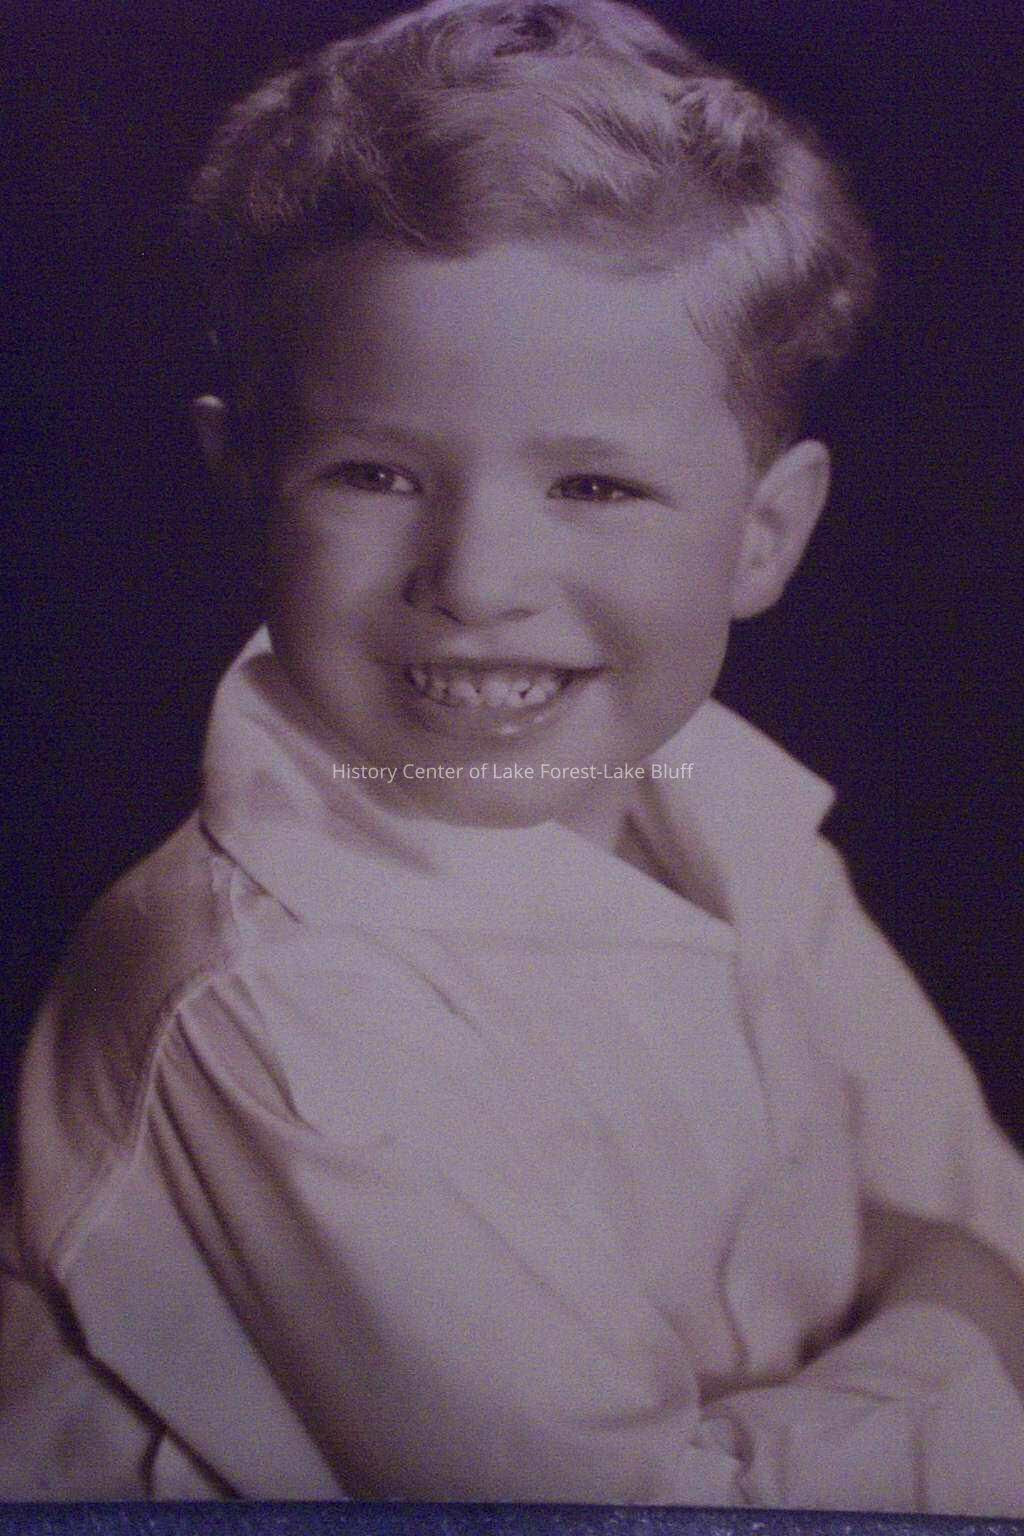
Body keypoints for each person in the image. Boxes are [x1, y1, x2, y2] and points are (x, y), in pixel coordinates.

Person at [2, 0, 1023, 1511]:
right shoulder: (268, 999)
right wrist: (956, 1318)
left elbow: (989, 1211)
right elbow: (621, 1518)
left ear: (762, 534)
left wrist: (964, 1273)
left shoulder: (722, 808)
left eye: (594, 486)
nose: (477, 581)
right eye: (374, 473)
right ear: (245, 485)